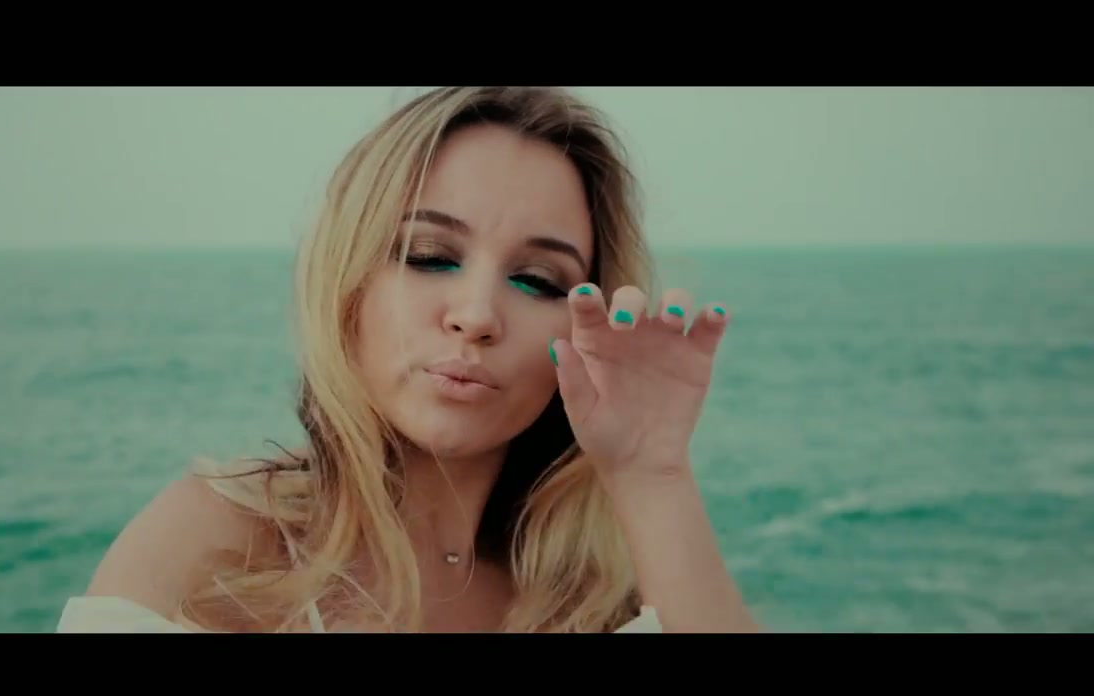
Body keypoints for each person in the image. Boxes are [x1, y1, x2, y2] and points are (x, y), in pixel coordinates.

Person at [56, 86, 760, 633]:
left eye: (537, 280)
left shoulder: (601, 598)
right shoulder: (216, 548)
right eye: (429, 256)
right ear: (349, 282)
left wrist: (651, 473)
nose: (477, 315)